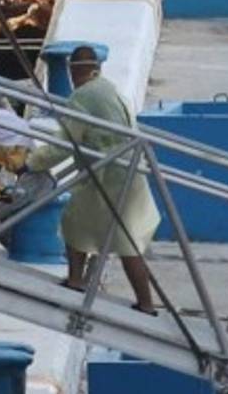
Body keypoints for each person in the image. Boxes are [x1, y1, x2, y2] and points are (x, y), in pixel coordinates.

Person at [25, 46, 161, 314]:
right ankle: (81, 282)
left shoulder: (83, 96)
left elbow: (65, 143)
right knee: (83, 223)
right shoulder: (108, 88)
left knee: (116, 238)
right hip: (125, 170)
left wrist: (32, 162)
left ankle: (141, 302)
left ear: (73, 70)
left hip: (110, 175)